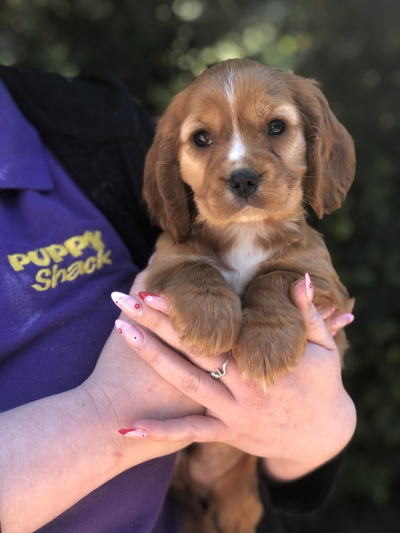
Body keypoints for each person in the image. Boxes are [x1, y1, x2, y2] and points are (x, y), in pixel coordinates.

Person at [0, 65, 356, 533]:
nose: (241, 167)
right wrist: (106, 412)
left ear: (316, 145)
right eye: (202, 140)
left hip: (228, 499)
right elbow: (165, 268)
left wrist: (320, 433)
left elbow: (321, 361)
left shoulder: (88, 117)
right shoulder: (178, 237)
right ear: (173, 171)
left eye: (275, 128)